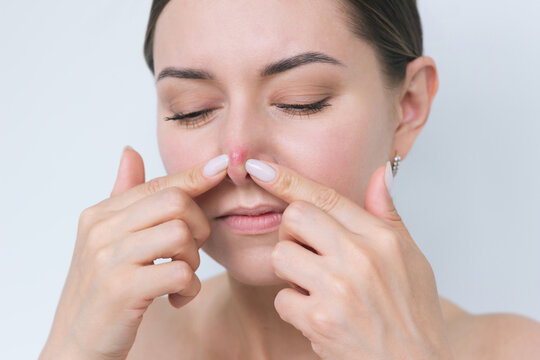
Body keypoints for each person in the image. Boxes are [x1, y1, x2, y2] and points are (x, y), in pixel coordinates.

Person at [39, 0, 540, 359]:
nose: (237, 158)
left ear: (407, 108)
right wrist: (70, 347)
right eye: (191, 110)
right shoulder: (124, 344)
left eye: (301, 100)